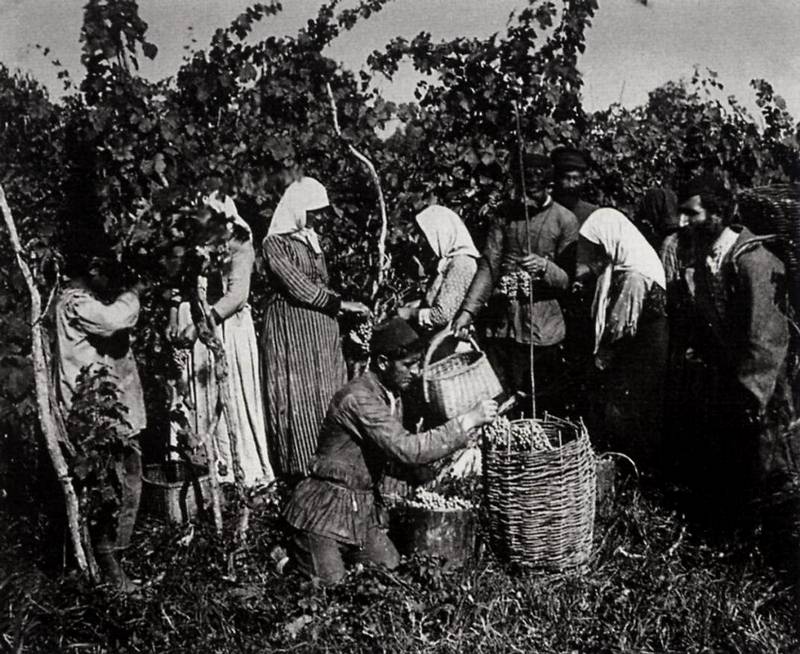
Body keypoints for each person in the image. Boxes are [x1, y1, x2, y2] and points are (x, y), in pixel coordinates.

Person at [283, 317, 498, 584]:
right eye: (408, 365)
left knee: (391, 575)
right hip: (323, 511)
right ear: (383, 363)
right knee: (330, 587)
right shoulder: (358, 399)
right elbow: (406, 448)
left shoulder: (389, 396)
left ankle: (337, 555)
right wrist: (467, 421)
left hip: (359, 511)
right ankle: (286, 556)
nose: (417, 371)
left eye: (418, 363)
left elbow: (392, 457)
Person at [678, 179, 799, 551]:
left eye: (692, 213)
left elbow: (768, 336)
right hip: (733, 378)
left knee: (777, 461)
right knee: (744, 463)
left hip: (767, 385)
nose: (683, 222)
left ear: (718, 215)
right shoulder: (705, 258)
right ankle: (744, 538)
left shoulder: (755, 262)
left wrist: (753, 392)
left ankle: (778, 549)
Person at [452, 152, 579, 415]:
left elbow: (568, 279)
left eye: (533, 190)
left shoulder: (564, 220)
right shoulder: (503, 215)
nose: (525, 197)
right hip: (503, 325)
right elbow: (488, 265)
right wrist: (468, 311)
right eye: (522, 188)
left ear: (547, 186)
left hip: (543, 329)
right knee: (501, 398)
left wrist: (545, 267)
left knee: (539, 401)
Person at [261, 176, 370, 481]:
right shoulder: (275, 244)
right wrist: (343, 305)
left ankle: (331, 462)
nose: (320, 217)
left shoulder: (311, 242)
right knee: (299, 395)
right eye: (315, 210)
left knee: (327, 390)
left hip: (322, 330)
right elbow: (299, 288)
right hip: (293, 328)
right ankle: (299, 469)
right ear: (299, 208)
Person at [170, 187, 275, 488]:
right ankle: (201, 472)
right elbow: (181, 282)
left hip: (225, 328)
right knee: (196, 395)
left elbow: (236, 297)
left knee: (228, 397)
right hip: (199, 322)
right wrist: (175, 316)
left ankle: (240, 473)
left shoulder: (239, 242)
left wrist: (202, 326)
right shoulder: (197, 243)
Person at [55, 251, 146, 591]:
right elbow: (113, 320)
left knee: (127, 477)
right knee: (111, 485)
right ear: (92, 270)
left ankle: (112, 557)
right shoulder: (75, 303)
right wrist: (134, 292)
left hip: (108, 407)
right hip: (94, 412)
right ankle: (108, 563)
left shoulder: (81, 300)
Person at [573, 207, 668, 470]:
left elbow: (619, 325)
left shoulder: (635, 276)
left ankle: (628, 475)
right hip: (636, 352)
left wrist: (602, 356)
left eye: (598, 246)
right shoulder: (626, 263)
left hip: (640, 356)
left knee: (628, 414)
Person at [398, 205, 479, 333]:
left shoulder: (462, 264)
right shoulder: (449, 261)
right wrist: (419, 304)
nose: (423, 242)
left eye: (426, 236)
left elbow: (442, 315)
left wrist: (410, 313)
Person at [550, 146, 599, 226]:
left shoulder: (592, 214)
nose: (571, 185)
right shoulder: (543, 212)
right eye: (566, 178)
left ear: (583, 179)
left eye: (576, 179)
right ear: (556, 178)